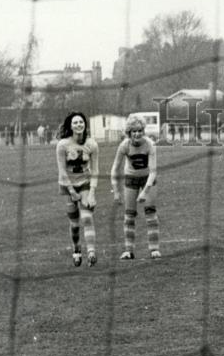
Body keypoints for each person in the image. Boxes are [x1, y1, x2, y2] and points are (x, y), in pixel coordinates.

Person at [110, 115, 162, 260]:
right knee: (129, 214)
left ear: (143, 131)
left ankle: (154, 249)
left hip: (148, 179)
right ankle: (128, 250)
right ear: (129, 133)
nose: (137, 134)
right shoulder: (124, 146)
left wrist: (145, 191)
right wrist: (115, 190)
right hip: (131, 179)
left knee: (150, 212)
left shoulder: (150, 144)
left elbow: (153, 171)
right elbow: (114, 169)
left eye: (139, 130)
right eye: (134, 131)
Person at [56, 111, 100, 266]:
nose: (78, 125)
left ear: (85, 124)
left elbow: (95, 170)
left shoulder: (92, 144)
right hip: (68, 186)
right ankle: (76, 250)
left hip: (85, 184)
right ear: (70, 126)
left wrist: (92, 193)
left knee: (87, 217)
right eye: (75, 122)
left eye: (81, 122)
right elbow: (61, 171)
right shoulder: (63, 145)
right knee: (74, 224)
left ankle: (92, 253)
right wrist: (72, 192)